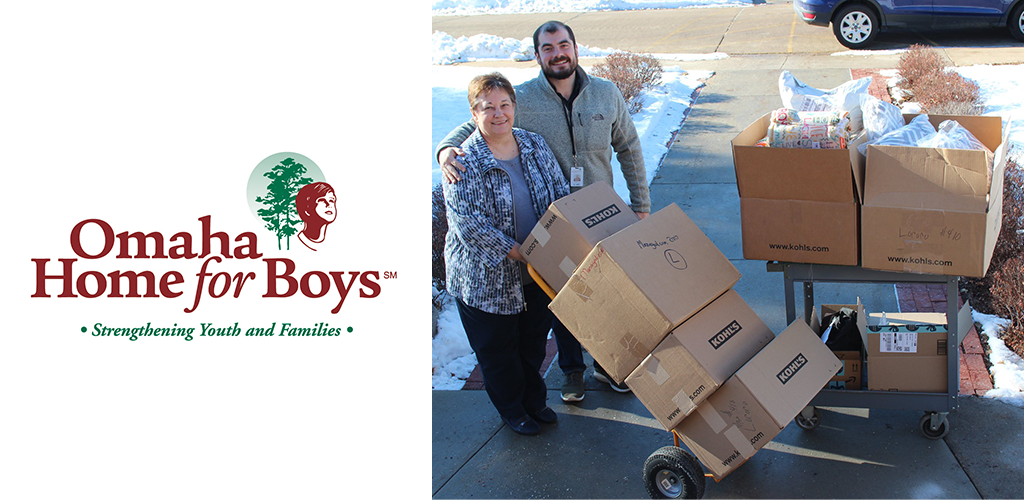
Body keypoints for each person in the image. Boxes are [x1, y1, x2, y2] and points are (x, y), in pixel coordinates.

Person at [436, 21, 650, 402]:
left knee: (606, 295)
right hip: (551, 220)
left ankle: (608, 365)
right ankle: (572, 371)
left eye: (563, 45)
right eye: (548, 48)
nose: (557, 53)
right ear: (537, 56)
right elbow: (478, 122)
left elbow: (630, 148)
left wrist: (641, 208)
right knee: (563, 297)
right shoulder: (524, 98)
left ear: (575, 48)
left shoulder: (606, 94)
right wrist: (445, 151)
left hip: (600, 213)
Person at [444, 72, 571, 436]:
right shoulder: (462, 163)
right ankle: (512, 409)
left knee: (532, 343)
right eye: (488, 108)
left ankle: (535, 402)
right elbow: (470, 226)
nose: (498, 114)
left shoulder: (534, 144)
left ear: (514, 107)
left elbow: (559, 193)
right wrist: (521, 252)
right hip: (487, 279)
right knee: (499, 352)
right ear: (474, 113)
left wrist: (554, 243)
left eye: (504, 105)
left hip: (536, 270)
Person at [295, 181, 337, 251]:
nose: (328, 204)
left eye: (331, 200)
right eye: (321, 200)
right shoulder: (294, 244)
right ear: (307, 210)